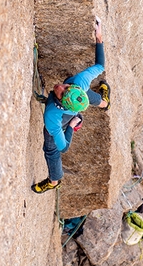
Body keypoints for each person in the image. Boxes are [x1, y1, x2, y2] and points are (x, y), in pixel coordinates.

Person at [32, 19, 110, 194]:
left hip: (63, 121)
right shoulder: (79, 84)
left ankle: (53, 181)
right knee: (86, 95)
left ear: (60, 101)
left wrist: (71, 127)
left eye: (61, 92)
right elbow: (100, 66)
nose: (60, 87)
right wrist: (99, 37)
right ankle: (105, 103)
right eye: (66, 87)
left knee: (50, 149)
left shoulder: (51, 117)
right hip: (78, 101)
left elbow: (64, 147)